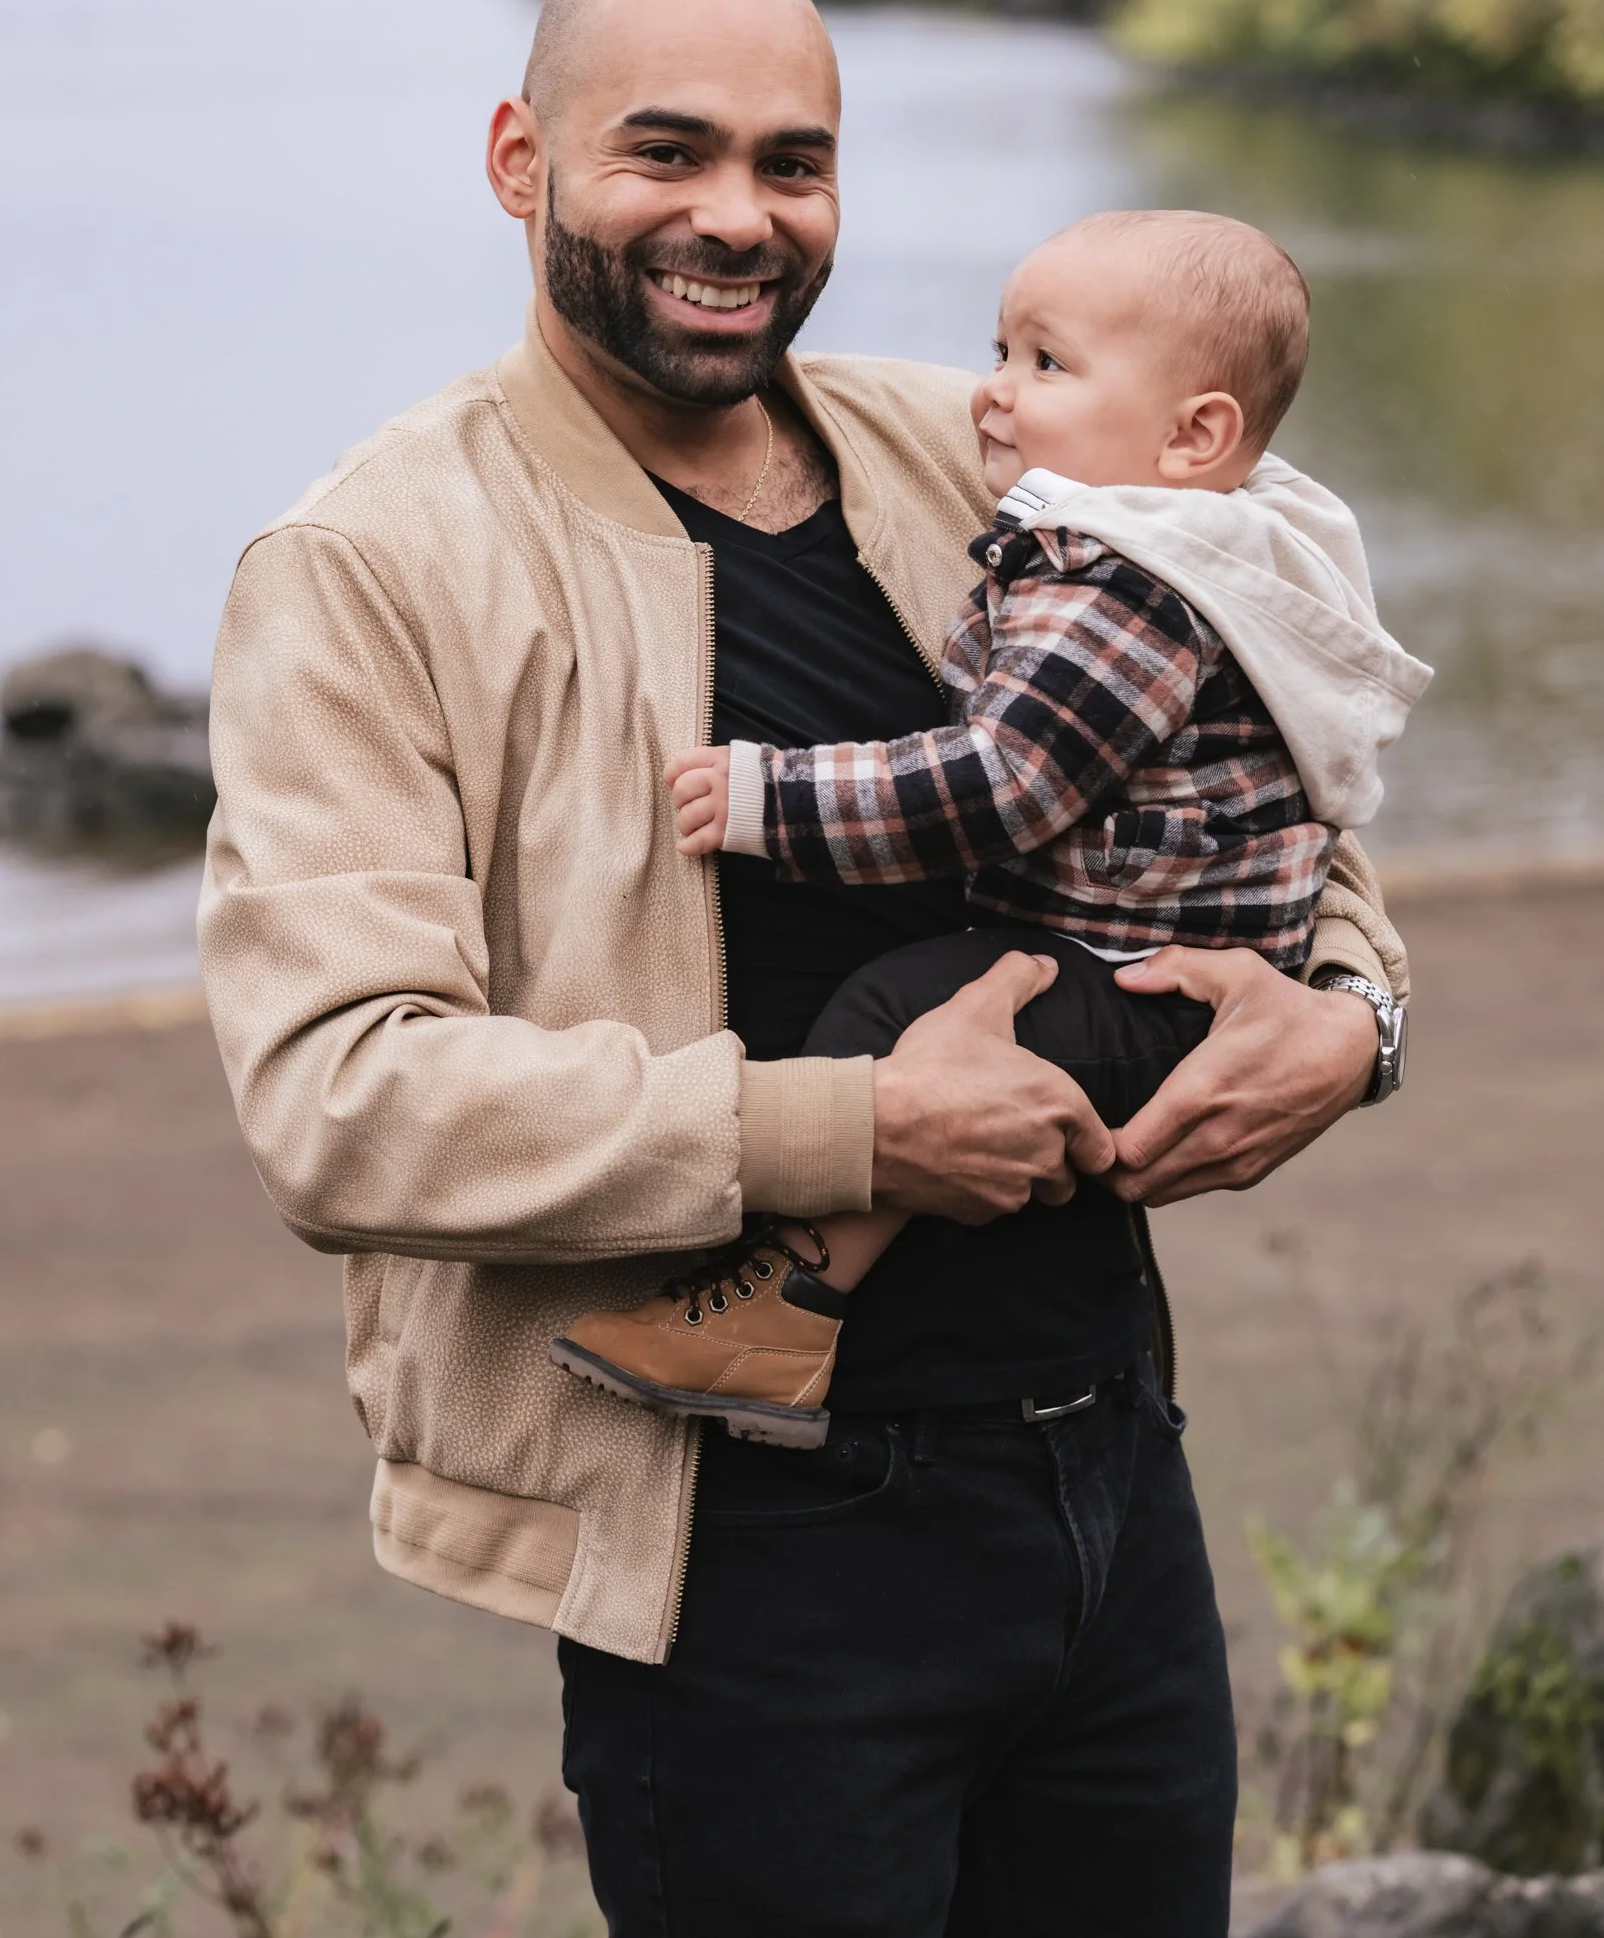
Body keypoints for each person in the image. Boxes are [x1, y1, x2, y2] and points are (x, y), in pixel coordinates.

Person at [200, 0, 1411, 1938]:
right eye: (661, 151)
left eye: (792, 161)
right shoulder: (370, 564)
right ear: (518, 158)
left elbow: (1280, 729)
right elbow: (342, 1098)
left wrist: (1353, 1014)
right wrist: (842, 1129)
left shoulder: (980, 452)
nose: (734, 217)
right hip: (744, 1555)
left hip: (1104, 1470)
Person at [549, 209, 1429, 1449]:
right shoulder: (1199, 545)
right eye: (999, 350)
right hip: (1143, 963)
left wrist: (771, 801)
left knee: (890, 1021)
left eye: (1045, 365)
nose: (990, 394)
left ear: (1194, 436)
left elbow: (1003, 784)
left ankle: (777, 1314)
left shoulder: (1126, 587)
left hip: (1138, 981)